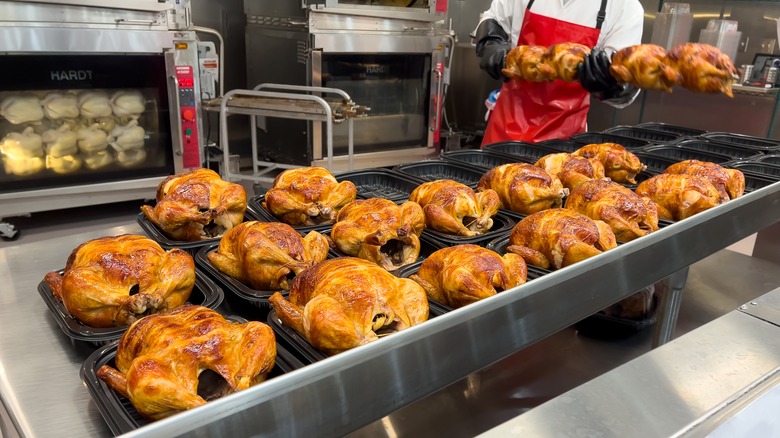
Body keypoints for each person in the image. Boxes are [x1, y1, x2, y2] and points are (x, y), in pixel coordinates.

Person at [474, 0, 645, 146]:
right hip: (505, 131)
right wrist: (492, 45)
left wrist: (608, 83)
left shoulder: (624, 7)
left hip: (563, 145)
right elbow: (493, 18)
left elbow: (627, 84)